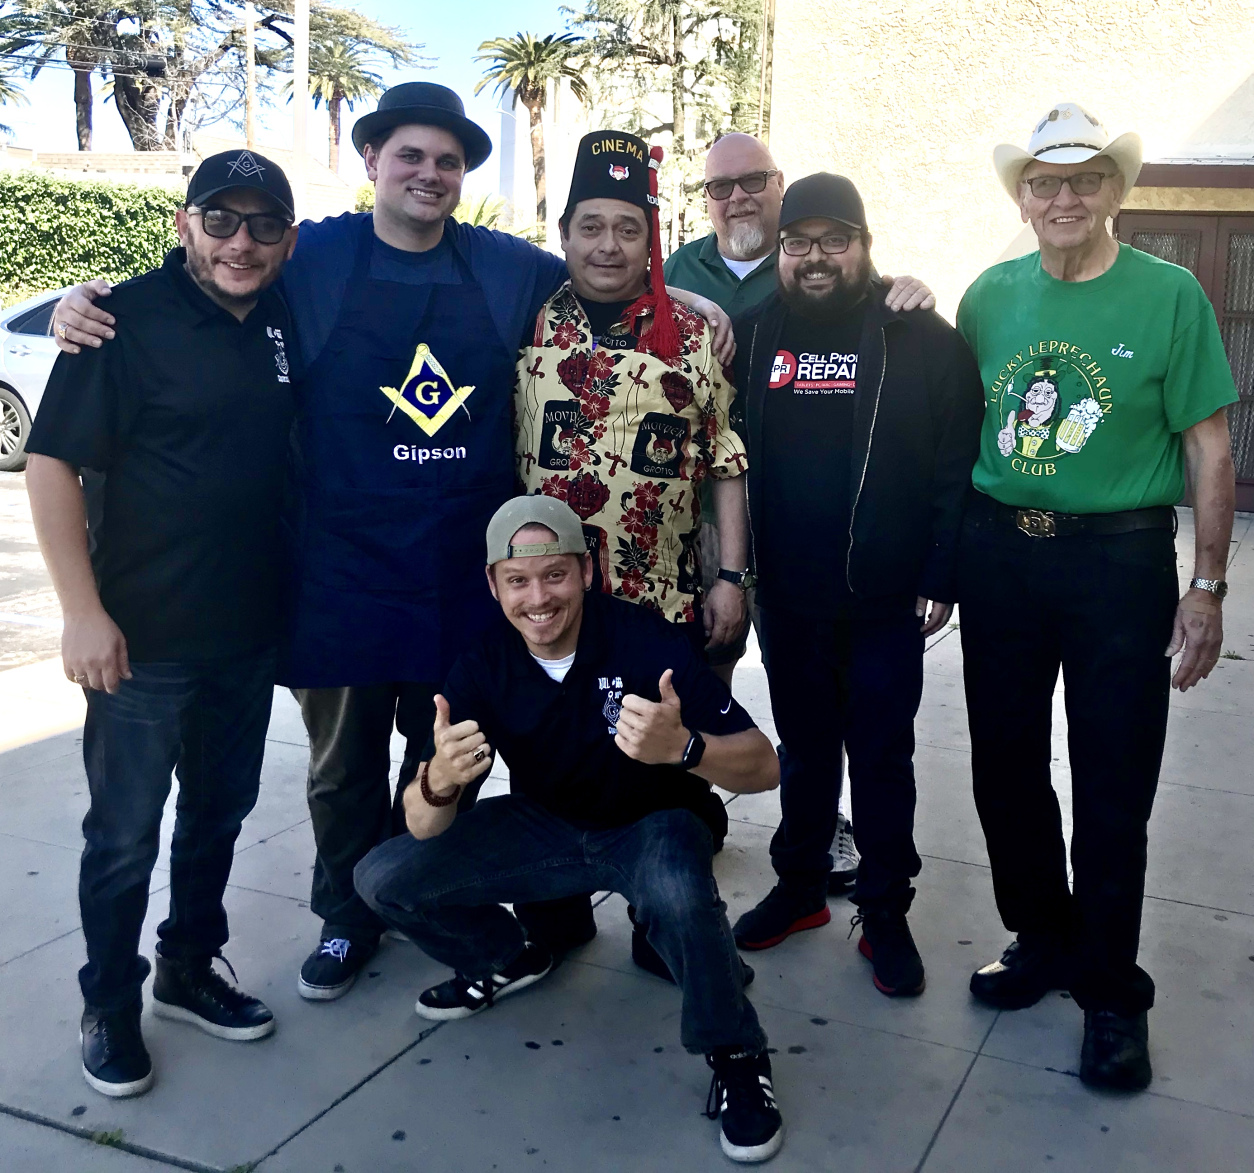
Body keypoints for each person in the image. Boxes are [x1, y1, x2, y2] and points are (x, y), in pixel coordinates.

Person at [51, 84, 733, 1005]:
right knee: (341, 768)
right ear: (372, 159)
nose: (429, 173)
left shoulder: (504, 266)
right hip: (342, 570)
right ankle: (347, 913)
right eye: (410, 154)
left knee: (444, 749)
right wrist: (86, 300)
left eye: (447, 160)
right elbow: (215, 265)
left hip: (458, 574)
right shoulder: (313, 255)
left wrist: (681, 292)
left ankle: (418, 894)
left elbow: (599, 270)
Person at [354, 495, 784, 1164]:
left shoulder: (645, 642)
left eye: (554, 574)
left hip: (651, 826)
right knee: (382, 876)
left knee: (676, 892)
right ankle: (507, 955)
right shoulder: (482, 662)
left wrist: (685, 748)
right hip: (547, 826)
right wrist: (439, 779)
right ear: (494, 585)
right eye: (518, 580)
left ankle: (736, 1053)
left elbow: (764, 766)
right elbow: (423, 824)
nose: (538, 599)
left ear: (587, 571)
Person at [955, 102, 1238, 1090]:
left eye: (1084, 178)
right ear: (1022, 199)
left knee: (1114, 781)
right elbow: (951, 422)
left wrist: (1207, 586)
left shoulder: (1170, 296)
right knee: (1004, 765)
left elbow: (1209, 445)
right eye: (1045, 181)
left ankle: (1112, 991)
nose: (1064, 197)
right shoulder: (988, 296)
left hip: (1119, 565)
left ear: (1114, 190)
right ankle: (1043, 936)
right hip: (1001, 556)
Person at [25, 152, 300, 1097]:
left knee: (218, 816)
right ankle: (109, 1001)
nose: (240, 242)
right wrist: (81, 611)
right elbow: (50, 464)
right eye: (220, 219)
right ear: (184, 224)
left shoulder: (287, 318)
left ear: (288, 240)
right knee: (124, 835)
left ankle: (187, 967)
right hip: (140, 640)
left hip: (247, 634)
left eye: (263, 224)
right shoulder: (120, 320)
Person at [727, 173, 983, 997]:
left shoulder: (921, 337)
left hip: (882, 598)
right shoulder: (751, 336)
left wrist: (940, 570)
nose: (815, 257)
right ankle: (801, 886)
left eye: (834, 240)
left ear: (865, 247)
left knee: (880, 756)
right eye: (798, 241)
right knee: (804, 751)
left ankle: (884, 909)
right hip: (786, 595)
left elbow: (955, 463)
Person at [663, 131, 936, 894]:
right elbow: (614, 287)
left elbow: (877, 307)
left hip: (843, 560)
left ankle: (860, 873)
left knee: (861, 732)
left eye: (753, 181)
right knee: (720, 686)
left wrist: (910, 289)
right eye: (720, 187)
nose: (737, 198)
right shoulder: (686, 275)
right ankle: (705, 827)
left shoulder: (847, 288)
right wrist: (686, 299)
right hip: (716, 528)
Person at [511, 130, 749, 965]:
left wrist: (731, 574)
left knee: (659, 761)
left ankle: (661, 923)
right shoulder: (529, 318)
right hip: (548, 601)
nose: (607, 245)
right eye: (591, 226)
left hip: (657, 595)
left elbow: (725, 459)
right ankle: (554, 915)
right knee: (546, 754)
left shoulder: (693, 332)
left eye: (627, 228)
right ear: (564, 233)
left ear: (651, 238)